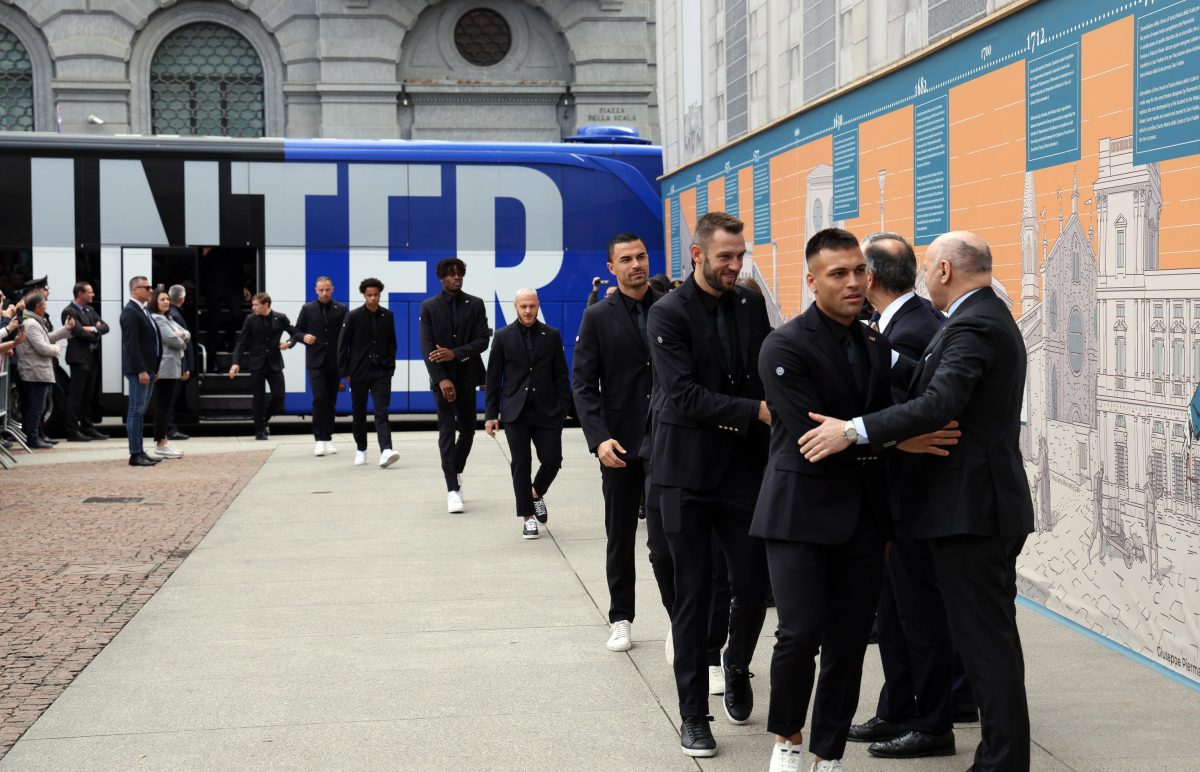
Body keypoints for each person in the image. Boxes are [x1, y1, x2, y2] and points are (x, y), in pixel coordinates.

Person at [799, 230, 1036, 772]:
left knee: (986, 647)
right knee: (986, 643)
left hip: (972, 513)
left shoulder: (975, 322)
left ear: (946, 270)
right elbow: (931, 378)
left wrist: (854, 430)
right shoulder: (977, 318)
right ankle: (999, 756)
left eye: (929, 267)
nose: (925, 277)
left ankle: (1001, 763)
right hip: (974, 509)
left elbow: (941, 401)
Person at [646, 211, 772, 758]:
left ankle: (737, 663)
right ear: (697, 255)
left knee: (752, 582)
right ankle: (694, 716)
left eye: (740, 256)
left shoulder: (750, 303)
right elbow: (683, 396)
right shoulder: (667, 313)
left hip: (742, 470)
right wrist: (758, 412)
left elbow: (766, 369)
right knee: (693, 596)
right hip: (687, 475)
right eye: (725, 256)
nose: (735, 266)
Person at [847, 232, 964, 761]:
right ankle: (897, 707)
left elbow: (916, 414)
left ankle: (930, 719)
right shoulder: (899, 324)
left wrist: (862, 433)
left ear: (869, 278)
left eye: (854, 271)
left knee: (916, 615)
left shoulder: (913, 331)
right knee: (894, 613)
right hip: (894, 497)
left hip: (911, 496)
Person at [572, 233, 663, 652]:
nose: (636, 265)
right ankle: (621, 616)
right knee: (620, 533)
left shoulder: (671, 306)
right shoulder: (598, 316)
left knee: (670, 538)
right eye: (626, 259)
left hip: (668, 438)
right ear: (612, 267)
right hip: (620, 444)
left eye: (641, 256)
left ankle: (681, 619)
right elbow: (584, 384)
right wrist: (598, 438)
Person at [484, 288, 571, 540]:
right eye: (523, 306)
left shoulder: (551, 335)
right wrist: (491, 415)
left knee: (553, 460)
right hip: (515, 413)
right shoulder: (502, 337)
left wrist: (563, 407)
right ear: (515, 307)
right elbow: (493, 379)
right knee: (521, 465)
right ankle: (527, 517)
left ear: (538, 305)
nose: (528, 311)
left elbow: (561, 375)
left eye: (532, 306)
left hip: (547, 412)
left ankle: (535, 493)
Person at [420, 258, 492, 513]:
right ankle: (452, 489)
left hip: (468, 377)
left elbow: (483, 340)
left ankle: (456, 470)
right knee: (446, 431)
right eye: (451, 275)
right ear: (441, 278)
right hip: (442, 380)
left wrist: (455, 353)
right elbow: (426, 347)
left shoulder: (475, 304)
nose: (456, 278)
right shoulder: (429, 307)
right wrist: (441, 378)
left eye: (459, 274)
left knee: (469, 431)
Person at [338, 277, 399, 468]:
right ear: (364, 296)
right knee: (359, 413)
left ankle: (386, 450)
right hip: (358, 372)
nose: (373, 298)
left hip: (381, 371)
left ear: (380, 295)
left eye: (376, 295)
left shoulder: (387, 316)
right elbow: (342, 345)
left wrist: (390, 367)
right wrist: (346, 372)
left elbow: (392, 343)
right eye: (369, 295)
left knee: (382, 411)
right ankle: (361, 449)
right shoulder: (353, 316)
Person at [291, 276, 348, 457]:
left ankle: (328, 438)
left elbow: (347, 335)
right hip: (315, 362)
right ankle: (318, 439)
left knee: (331, 401)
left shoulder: (342, 309)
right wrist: (303, 337)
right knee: (320, 398)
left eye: (327, 290)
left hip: (334, 362)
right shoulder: (307, 309)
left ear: (332, 290)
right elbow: (296, 331)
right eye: (321, 290)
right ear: (316, 290)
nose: (324, 293)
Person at [229, 292, 297, 440]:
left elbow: (295, 333)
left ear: (265, 305)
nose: (252, 307)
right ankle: (259, 429)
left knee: (279, 395)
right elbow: (241, 342)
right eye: (252, 305)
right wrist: (236, 363)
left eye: (255, 305)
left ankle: (264, 419)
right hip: (257, 364)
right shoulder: (250, 319)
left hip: (274, 363)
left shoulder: (281, 317)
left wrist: (289, 343)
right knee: (258, 398)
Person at [14, 293, 74, 449]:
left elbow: (46, 338)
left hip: (38, 373)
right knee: (35, 408)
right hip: (35, 373)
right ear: (37, 307)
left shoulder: (35, 322)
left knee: (38, 408)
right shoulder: (31, 324)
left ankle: (37, 436)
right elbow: (42, 347)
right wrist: (56, 349)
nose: (46, 307)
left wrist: (65, 330)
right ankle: (33, 438)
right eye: (44, 305)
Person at [120, 275, 162, 467]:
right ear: (136, 290)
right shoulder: (130, 312)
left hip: (149, 370)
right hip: (140, 371)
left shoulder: (142, 311)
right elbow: (131, 345)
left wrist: (154, 369)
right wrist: (141, 370)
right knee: (136, 412)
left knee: (140, 411)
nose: (151, 290)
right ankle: (135, 453)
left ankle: (140, 450)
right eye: (147, 287)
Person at [60, 281, 111, 441]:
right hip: (79, 359)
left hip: (92, 358)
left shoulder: (90, 309)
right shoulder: (68, 311)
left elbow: (106, 327)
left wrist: (92, 329)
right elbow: (77, 332)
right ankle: (72, 431)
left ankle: (88, 428)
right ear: (80, 294)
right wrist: (93, 330)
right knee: (75, 396)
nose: (93, 294)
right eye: (90, 292)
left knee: (88, 396)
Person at [148, 289, 189, 459]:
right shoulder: (158, 318)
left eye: (167, 299)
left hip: (173, 368)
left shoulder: (168, 318)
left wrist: (181, 337)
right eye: (162, 299)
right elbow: (172, 339)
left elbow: (187, 333)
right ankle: (160, 443)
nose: (166, 301)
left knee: (166, 405)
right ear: (155, 302)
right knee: (163, 406)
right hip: (165, 369)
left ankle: (163, 441)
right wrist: (182, 340)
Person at [165, 284, 194, 441]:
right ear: (182, 299)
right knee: (171, 400)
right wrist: (186, 367)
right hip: (177, 366)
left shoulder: (173, 314)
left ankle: (170, 428)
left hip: (177, 365)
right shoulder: (175, 315)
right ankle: (170, 429)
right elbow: (182, 344)